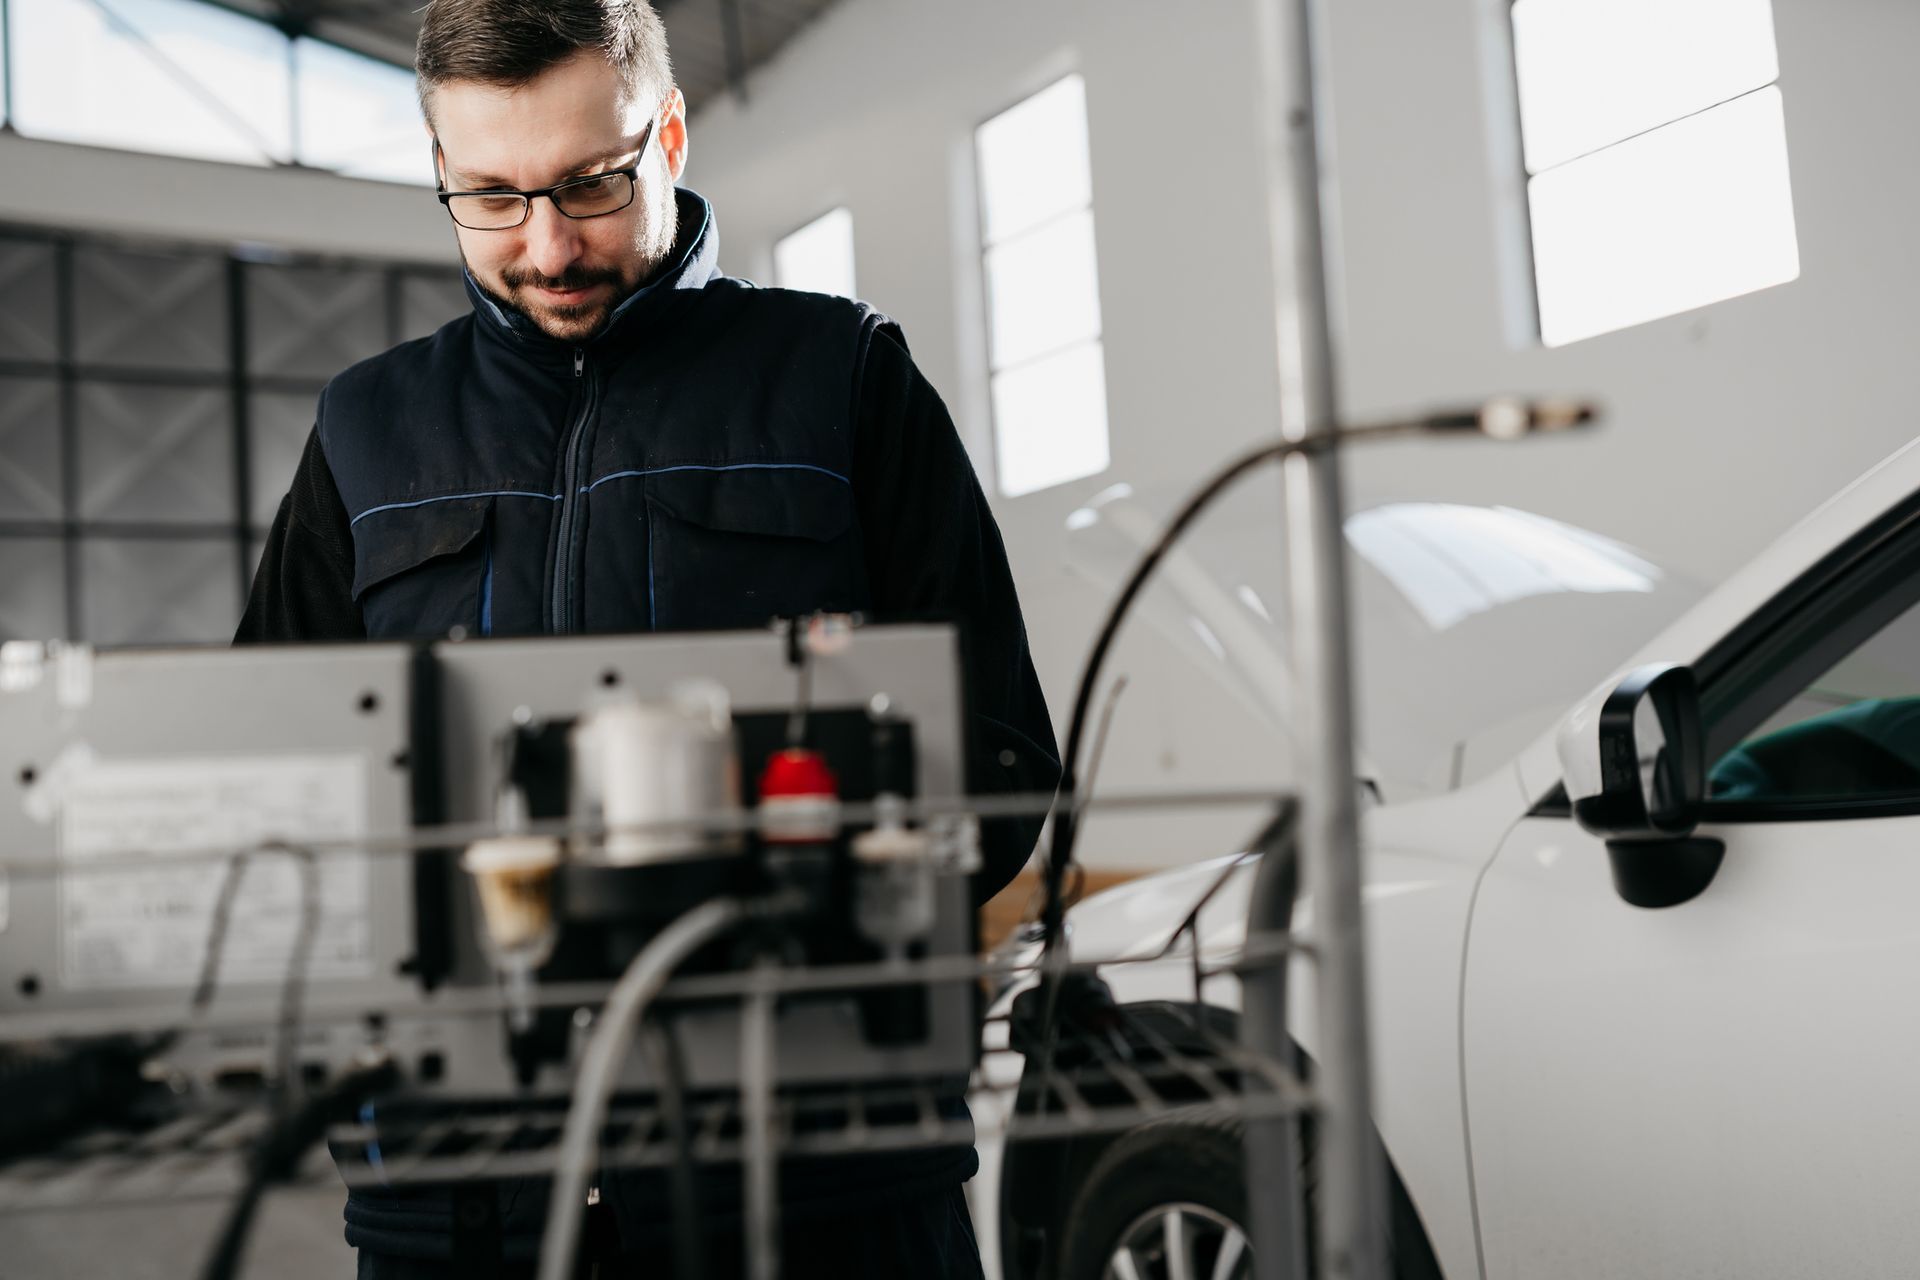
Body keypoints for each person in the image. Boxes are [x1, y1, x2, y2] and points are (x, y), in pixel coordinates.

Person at [235, 1, 1059, 1275]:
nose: (549, 245)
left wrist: (776, 889)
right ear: (442, 174)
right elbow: (264, 777)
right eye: (490, 198)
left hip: (825, 1192)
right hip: (465, 1207)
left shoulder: (841, 377)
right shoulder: (366, 430)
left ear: (668, 132)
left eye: (591, 184)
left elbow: (1002, 760)